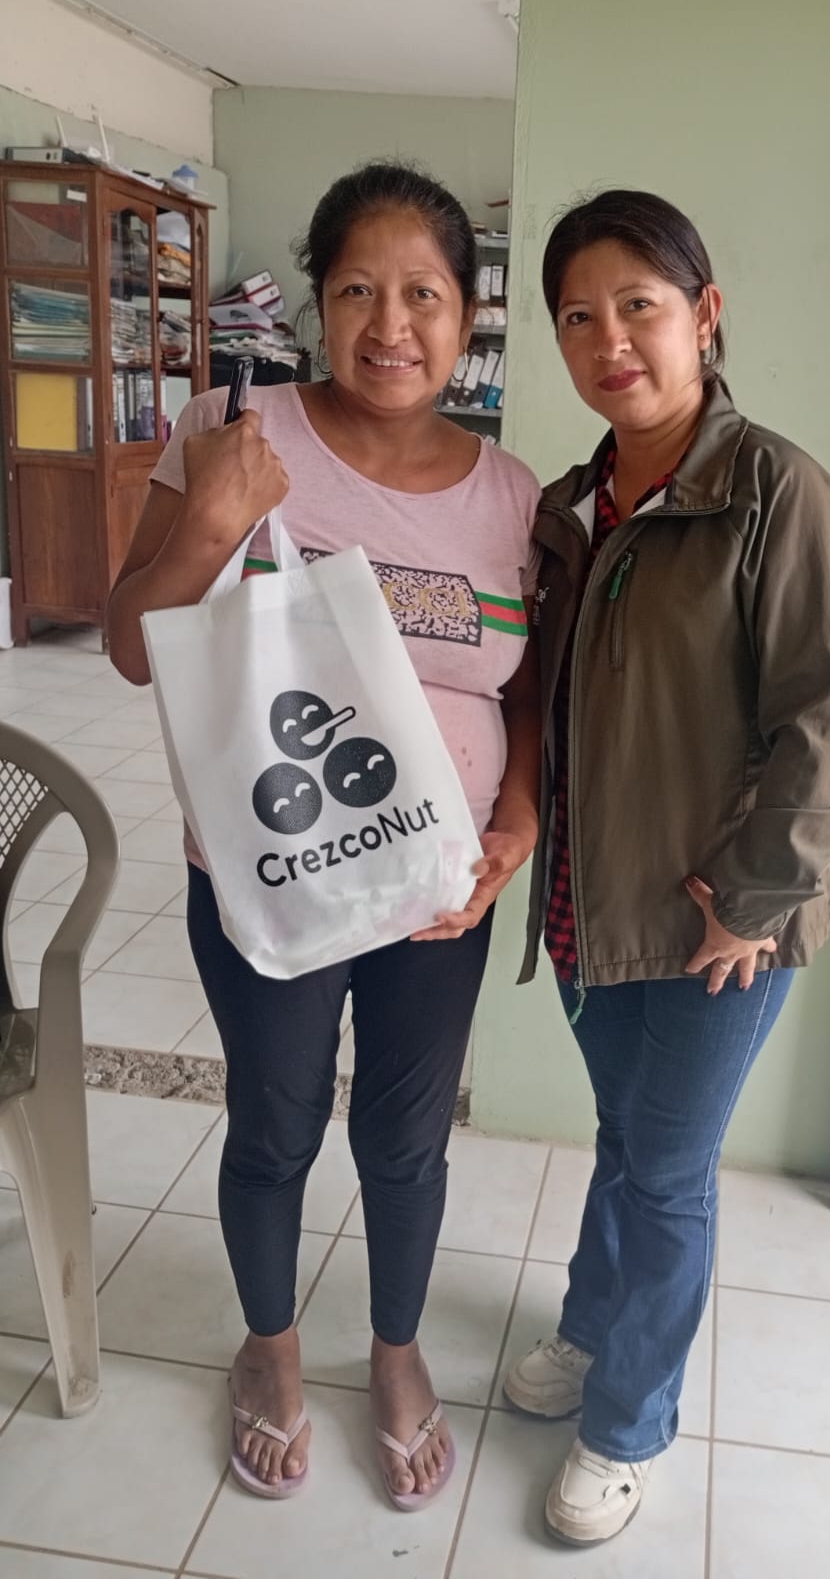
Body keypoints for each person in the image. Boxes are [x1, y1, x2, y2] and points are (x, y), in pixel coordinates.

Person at [107, 162, 541, 1509]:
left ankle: (396, 1353)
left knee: (407, 1142)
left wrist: (518, 823)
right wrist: (212, 525)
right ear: (315, 304)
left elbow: (532, 693)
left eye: (423, 295)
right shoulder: (233, 431)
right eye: (357, 290)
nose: (390, 325)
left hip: (436, 887)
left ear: (467, 315)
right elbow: (131, 644)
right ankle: (272, 1347)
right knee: (276, 1123)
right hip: (274, 873)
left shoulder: (513, 493)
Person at [501, 190, 830, 1545]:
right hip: (592, 902)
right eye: (577, 317)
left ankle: (628, 1421)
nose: (610, 341)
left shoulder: (775, 492)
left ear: (704, 317)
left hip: (726, 922)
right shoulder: (568, 507)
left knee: (665, 1170)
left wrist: (756, 904)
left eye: (639, 307)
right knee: (627, 1141)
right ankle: (595, 1321)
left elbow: (824, 718)